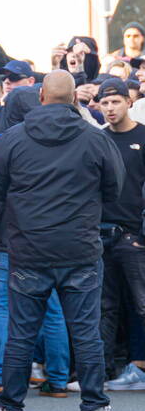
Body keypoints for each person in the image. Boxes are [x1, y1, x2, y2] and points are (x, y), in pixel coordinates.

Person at [0, 71, 128, 411]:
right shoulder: (95, 138)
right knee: (86, 333)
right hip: (80, 247)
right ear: (75, 97)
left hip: (28, 248)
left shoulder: (12, 139)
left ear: (41, 95)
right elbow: (116, 187)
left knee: (21, 334)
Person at [0, 87, 70, 401]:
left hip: (4, 237)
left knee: (1, 308)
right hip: (50, 238)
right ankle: (59, 379)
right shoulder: (62, 142)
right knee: (52, 309)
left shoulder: (2, 141)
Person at [94, 78, 145, 388]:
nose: (110, 108)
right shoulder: (98, 139)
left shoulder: (143, 135)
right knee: (104, 307)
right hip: (101, 234)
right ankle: (100, 373)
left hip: (134, 235)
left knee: (142, 304)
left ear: (128, 101)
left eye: (115, 102)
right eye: (105, 103)